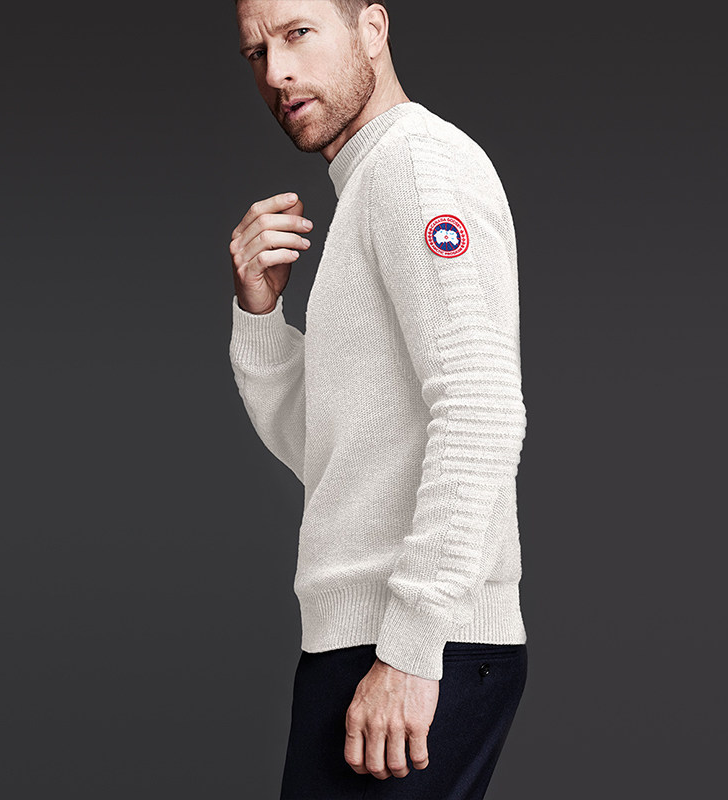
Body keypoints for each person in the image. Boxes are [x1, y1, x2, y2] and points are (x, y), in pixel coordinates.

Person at [228, 2, 529, 797]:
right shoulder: (371, 180)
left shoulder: (415, 167)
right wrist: (261, 318)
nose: (277, 72)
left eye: (298, 34)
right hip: (371, 642)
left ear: (371, 30)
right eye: (256, 52)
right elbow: (333, 449)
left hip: (410, 647)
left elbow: (482, 405)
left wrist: (412, 647)